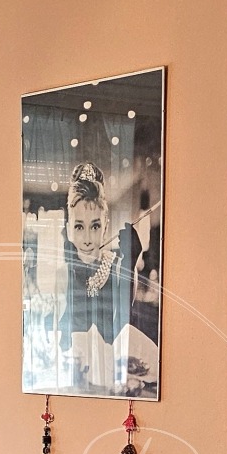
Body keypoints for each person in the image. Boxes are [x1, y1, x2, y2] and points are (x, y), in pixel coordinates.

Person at [59, 161, 160, 395]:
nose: (87, 238)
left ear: (105, 226)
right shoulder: (64, 267)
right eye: (79, 227)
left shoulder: (114, 263)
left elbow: (123, 316)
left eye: (95, 226)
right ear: (69, 227)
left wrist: (130, 261)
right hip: (73, 366)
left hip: (110, 362)